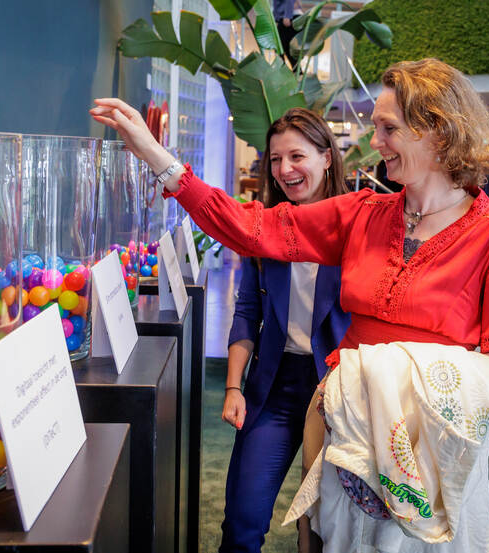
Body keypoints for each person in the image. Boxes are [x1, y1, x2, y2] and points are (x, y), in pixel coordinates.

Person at [91, 57, 489, 551]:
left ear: (435, 130)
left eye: (388, 129)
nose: (374, 143)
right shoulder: (363, 216)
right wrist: (160, 158)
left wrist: (391, 377)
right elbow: (252, 228)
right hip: (341, 437)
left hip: (424, 464)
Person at [220, 108, 350, 552]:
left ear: (327, 157)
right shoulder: (268, 230)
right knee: (242, 521)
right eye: (276, 159)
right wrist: (234, 386)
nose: (285, 170)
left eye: (297, 156)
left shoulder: (358, 228)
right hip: (274, 388)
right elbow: (247, 309)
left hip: (337, 392)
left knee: (324, 531)